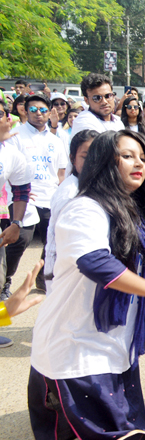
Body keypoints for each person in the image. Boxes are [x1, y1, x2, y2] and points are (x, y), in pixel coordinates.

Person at [28, 130, 145, 440]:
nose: (138, 163)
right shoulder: (85, 208)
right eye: (127, 156)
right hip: (78, 348)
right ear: (103, 162)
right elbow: (95, 262)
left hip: (114, 346)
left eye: (143, 157)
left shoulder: (132, 211)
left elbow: (134, 269)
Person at [8, 94, 68, 290]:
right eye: (33, 110)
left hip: (50, 197)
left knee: (54, 240)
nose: (38, 114)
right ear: (24, 110)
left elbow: (60, 172)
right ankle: (5, 279)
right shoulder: (16, 135)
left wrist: (61, 193)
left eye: (43, 110)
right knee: (21, 239)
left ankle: (43, 278)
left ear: (50, 112)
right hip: (25, 198)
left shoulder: (55, 140)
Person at [44, 130, 98, 295]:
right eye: (85, 156)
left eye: (98, 154)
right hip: (69, 276)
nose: (92, 161)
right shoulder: (70, 193)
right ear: (72, 158)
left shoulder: (94, 185)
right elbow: (58, 245)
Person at [0, 100, 32, 346]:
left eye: (0, 114)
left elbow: (21, 190)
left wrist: (16, 222)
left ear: (7, 118)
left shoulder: (11, 155)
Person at [71, 73, 124, 139]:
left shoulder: (117, 121)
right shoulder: (84, 122)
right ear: (86, 100)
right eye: (97, 98)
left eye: (108, 96)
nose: (104, 101)